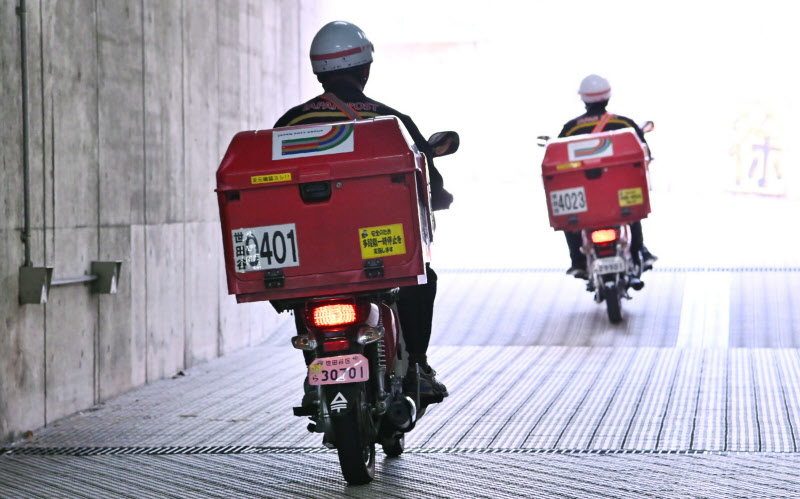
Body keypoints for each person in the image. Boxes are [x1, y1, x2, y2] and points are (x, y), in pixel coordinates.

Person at [274, 21, 452, 401]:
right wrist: (441, 195)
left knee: (304, 285)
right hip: (376, 251)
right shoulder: (391, 122)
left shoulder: (289, 125)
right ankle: (417, 366)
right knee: (423, 279)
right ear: (365, 69)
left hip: (310, 251)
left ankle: (314, 371)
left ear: (318, 71)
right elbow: (429, 182)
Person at [558, 74, 658, 279]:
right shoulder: (624, 124)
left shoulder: (571, 129)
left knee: (571, 219)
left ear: (583, 99)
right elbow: (644, 152)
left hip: (585, 198)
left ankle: (577, 262)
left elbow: (558, 161)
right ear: (608, 97)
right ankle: (641, 251)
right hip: (619, 193)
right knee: (631, 214)